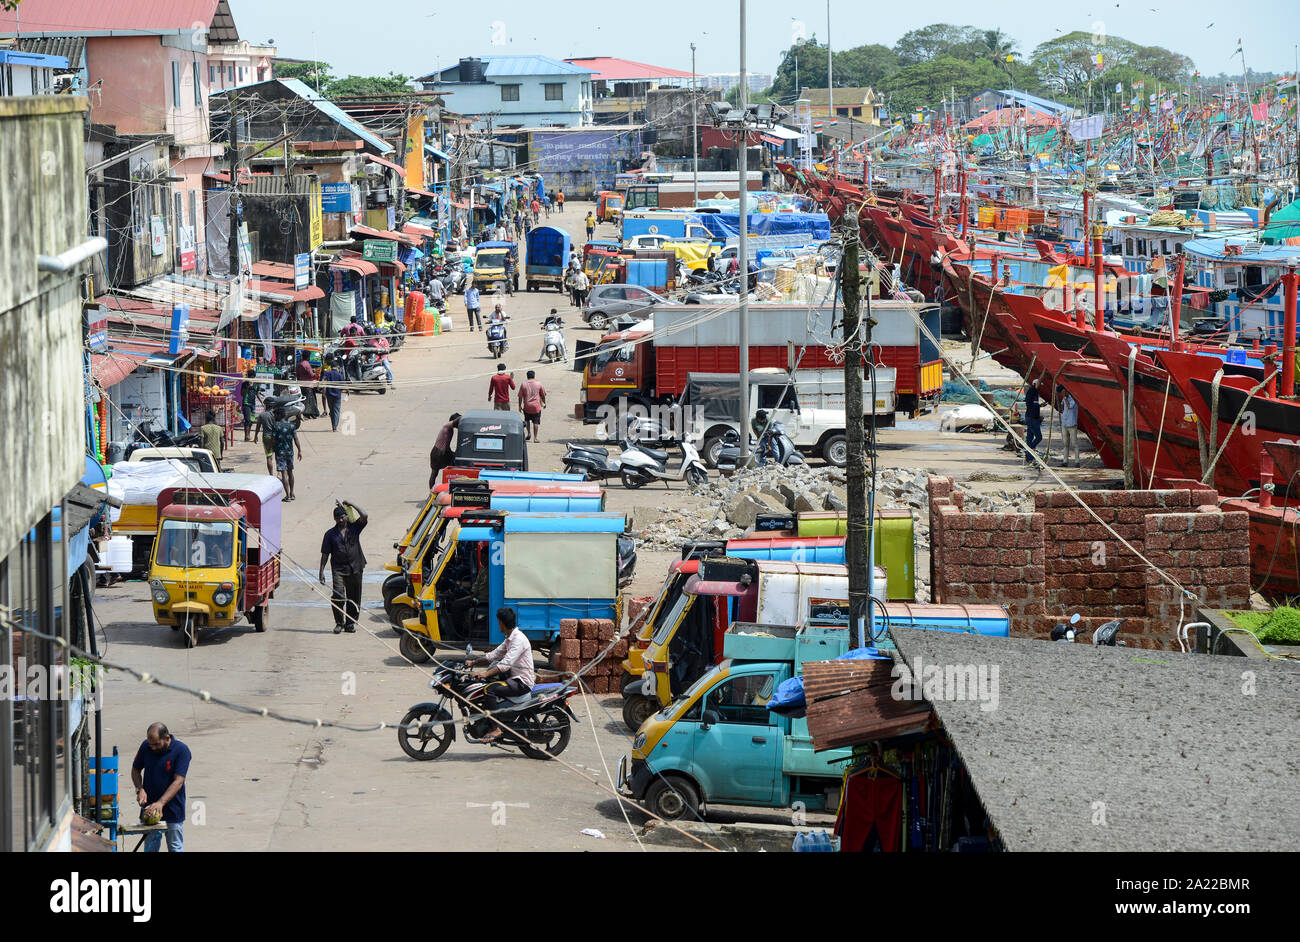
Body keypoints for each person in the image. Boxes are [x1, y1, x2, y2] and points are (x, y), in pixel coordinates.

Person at [471, 607, 535, 738]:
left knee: (489, 690)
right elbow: (494, 654)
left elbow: (505, 664)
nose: (498, 624)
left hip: (522, 682)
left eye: (498, 621)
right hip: (515, 679)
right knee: (487, 683)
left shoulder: (518, 640)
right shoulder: (510, 638)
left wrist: (485, 673)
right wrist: (474, 662)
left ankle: (495, 728)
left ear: (502, 623)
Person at [131, 722, 191, 853]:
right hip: (149, 809)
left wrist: (160, 803)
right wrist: (139, 789)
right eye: (151, 744)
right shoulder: (146, 746)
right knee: (150, 848)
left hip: (173, 809)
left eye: (157, 744)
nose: (153, 748)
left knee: (175, 847)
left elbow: (178, 781)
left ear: (167, 738)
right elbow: (136, 769)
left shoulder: (181, 750)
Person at [319, 501, 368, 634]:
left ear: (347, 516)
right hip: (339, 570)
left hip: (356, 567)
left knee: (354, 597)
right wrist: (321, 571)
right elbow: (325, 553)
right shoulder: (330, 534)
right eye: (338, 518)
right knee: (338, 595)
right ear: (334, 519)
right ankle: (339, 623)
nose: (341, 520)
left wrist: (351, 504)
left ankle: (350, 623)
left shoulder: (355, 528)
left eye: (343, 517)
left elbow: (364, 515)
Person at [271, 410, 303, 500]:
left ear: (278, 415)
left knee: (284, 473)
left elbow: (273, 440)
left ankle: (287, 495)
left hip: (280, 453)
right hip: (289, 452)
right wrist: (299, 450)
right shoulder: (291, 426)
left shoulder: (276, 426)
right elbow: (296, 439)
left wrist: (272, 449)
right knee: (290, 472)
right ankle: (292, 493)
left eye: (275, 414)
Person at [429, 413, 462, 488]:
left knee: (434, 473)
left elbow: (446, 443)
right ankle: (451, 486)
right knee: (436, 472)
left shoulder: (449, 429)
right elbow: (460, 418)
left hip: (439, 451)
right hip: (439, 452)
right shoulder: (447, 426)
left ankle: (433, 492)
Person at [518, 370, 546, 442]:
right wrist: (544, 403)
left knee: (527, 420)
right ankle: (535, 438)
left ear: (527, 376)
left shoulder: (523, 384)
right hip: (536, 407)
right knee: (535, 422)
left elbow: (520, 396)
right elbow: (543, 395)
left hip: (527, 406)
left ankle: (529, 433)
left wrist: (519, 406)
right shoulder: (539, 384)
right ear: (534, 376)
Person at [321, 357, 345, 432]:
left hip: (329, 395)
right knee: (336, 411)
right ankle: (335, 428)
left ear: (331, 367)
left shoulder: (327, 373)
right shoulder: (340, 375)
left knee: (331, 410)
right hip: (337, 395)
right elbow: (344, 385)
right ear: (337, 367)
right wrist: (347, 390)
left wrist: (323, 387)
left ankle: (333, 426)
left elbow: (323, 379)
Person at [1023, 381, 1042, 462]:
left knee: (1030, 438)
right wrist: (1043, 373)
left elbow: (1032, 405)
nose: (1041, 387)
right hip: (1032, 419)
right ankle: (1029, 452)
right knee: (1039, 437)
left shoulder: (1034, 393)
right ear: (1035, 384)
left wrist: (1040, 405)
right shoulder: (1032, 391)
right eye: (1039, 385)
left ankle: (1029, 457)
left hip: (1031, 418)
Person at [296, 353, 320, 419]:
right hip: (309, 385)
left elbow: (297, 374)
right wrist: (317, 374)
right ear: (308, 357)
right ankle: (310, 414)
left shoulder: (299, 364)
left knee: (304, 399)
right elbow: (311, 375)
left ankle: (306, 414)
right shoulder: (307, 364)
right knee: (310, 401)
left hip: (302, 384)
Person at [1060, 391, 1080, 468]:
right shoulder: (1064, 398)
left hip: (1072, 424)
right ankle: (1065, 461)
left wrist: (1065, 398)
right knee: (1065, 444)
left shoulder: (1073, 399)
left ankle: (1077, 461)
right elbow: (1063, 405)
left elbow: (1069, 406)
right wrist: (1062, 407)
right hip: (1065, 423)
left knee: (1074, 444)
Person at [241, 369, 259, 442]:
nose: (251, 378)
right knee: (247, 420)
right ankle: (246, 436)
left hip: (253, 404)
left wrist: (262, 403)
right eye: (250, 377)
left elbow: (257, 393)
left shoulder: (256, 384)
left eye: (252, 377)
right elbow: (242, 394)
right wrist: (248, 387)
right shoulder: (244, 384)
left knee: (251, 420)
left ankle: (248, 435)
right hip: (246, 404)